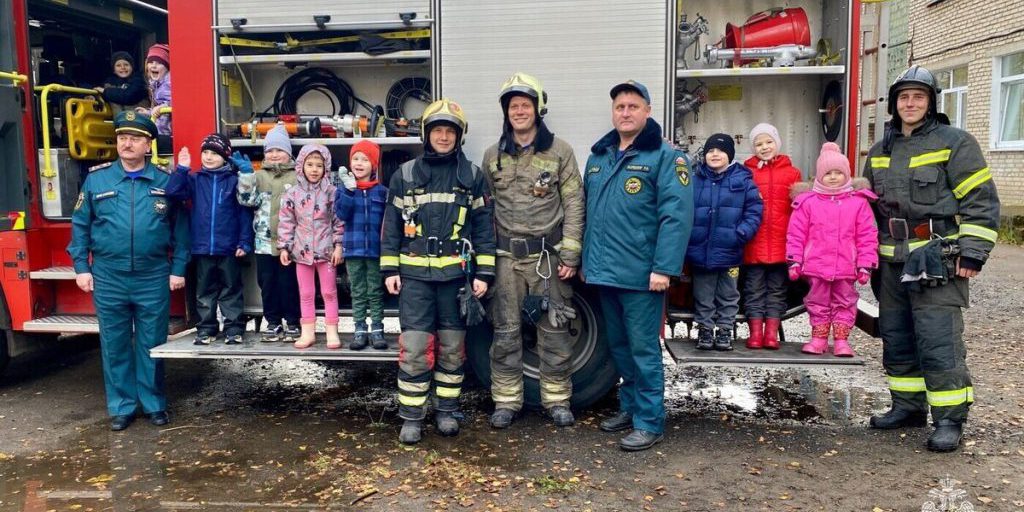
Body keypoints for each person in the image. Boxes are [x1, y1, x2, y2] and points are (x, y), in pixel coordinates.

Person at [863, 65, 1000, 452]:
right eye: (903, 97)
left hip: (937, 258)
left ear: (931, 102)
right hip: (890, 261)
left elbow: (981, 201)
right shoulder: (879, 150)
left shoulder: (955, 142)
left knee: (939, 341)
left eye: (918, 97)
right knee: (897, 337)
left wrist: (973, 252)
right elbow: (865, 211)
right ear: (894, 104)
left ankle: (949, 419)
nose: (910, 103)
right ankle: (907, 406)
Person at [584, 81, 693, 451]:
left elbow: (675, 218)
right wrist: (586, 262)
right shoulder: (599, 157)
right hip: (604, 273)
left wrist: (664, 269)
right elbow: (589, 215)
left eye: (633, 106)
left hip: (642, 276)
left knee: (644, 350)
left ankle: (650, 421)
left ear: (648, 111)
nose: (625, 112)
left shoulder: (666, 158)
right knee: (619, 348)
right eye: (619, 107)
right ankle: (630, 409)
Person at [380, 98, 496, 445]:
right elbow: (390, 227)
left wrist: (483, 274)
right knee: (415, 348)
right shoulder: (405, 175)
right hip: (415, 279)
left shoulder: (472, 176)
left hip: (454, 281)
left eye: (450, 131)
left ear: (459, 136)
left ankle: (446, 411)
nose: (443, 137)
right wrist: (389, 268)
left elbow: (484, 228)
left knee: (451, 348)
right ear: (426, 134)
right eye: (438, 130)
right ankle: (412, 417)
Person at [67, 111, 189, 431]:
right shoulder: (97, 180)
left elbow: (181, 229)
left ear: (148, 144)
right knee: (115, 343)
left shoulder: (165, 181)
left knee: (152, 343)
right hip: (109, 275)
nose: (127, 144)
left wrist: (177, 268)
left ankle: (153, 404)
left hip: (152, 275)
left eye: (134, 139)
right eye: (122, 138)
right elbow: (80, 226)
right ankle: (121, 406)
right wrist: (81, 267)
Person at [480, 72, 585, 430]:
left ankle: (556, 400)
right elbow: (484, 210)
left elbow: (574, 202)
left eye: (525, 105)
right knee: (506, 332)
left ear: (538, 109)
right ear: (506, 113)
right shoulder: (492, 155)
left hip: (548, 258)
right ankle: (507, 400)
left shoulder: (561, 152)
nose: (519, 111)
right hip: (506, 259)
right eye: (513, 106)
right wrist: (484, 263)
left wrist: (570, 254)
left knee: (554, 331)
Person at [786, 142, 878, 357]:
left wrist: (866, 264)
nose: (834, 177)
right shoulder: (807, 203)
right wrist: (794, 260)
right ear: (819, 176)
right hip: (816, 266)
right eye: (828, 173)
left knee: (845, 301)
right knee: (817, 302)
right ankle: (818, 338)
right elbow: (796, 234)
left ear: (847, 175)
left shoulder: (858, 203)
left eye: (839, 172)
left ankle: (841, 340)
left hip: (846, 266)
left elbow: (867, 236)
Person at [170, 134, 254, 346]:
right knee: (204, 291)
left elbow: (244, 213)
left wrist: (244, 242)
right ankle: (206, 328)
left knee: (231, 289)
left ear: (225, 156)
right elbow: (172, 192)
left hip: (228, 248)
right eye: (205, 152)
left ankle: (234, 328)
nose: (208, 157)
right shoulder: (195, 180)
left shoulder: (234, 181)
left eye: (214, 153)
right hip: (202, 248)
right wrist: (182, 169)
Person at [686, 133, 763, 352]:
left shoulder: (743, 180)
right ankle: (706, 330)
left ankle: (724, 331)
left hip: (730, 251)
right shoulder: (695, 179)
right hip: (701, 251)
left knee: (729, 294)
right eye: (710, 151)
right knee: (703, 294)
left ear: (729, 155)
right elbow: (683, 209)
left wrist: (740, 234)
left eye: (720, 151)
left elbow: (754, 211)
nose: (715, 154)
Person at [237, 124, 302, 342]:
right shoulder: (259, 176)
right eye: (270, 151)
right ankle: (273, 322)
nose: (274, 155)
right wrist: (246, 177)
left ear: (289, 153)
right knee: (267, 284)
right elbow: (246, 201)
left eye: (279, 150)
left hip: (290, 245)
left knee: (289, 284)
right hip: (264, 243)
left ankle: (293, 322)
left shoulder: (297, 177)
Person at [741, 123, 802, 350]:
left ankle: (771, 334)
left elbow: (799, 211)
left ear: (777, 143)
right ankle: (755, 333)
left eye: (768, 142)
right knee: (753, 289)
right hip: (754, 243)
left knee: (777, 290)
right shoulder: (747, 172)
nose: (764, 147)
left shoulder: (792, 173)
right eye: (758, 143)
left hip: (782, 243)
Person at [277, 144, 344, 349]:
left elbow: (338, 221)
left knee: (329, 292)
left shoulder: (332, 193)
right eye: (310, 164)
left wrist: (338, 245)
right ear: (301, 166)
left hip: (327, 252)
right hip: (301, 253)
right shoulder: (292, 194)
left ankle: (332, 332)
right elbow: (287, 222)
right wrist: (284, 247)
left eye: (319, 165)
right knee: (305, 293)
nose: (314, 169)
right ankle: (308, 333)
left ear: (326, 168)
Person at [334, 140, 388, 350]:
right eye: (355, 158)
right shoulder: (344, 190)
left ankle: (377, 330)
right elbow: (341, 214)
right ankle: (359, 330)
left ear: (373, 165)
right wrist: (348, 191)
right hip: (353, 250)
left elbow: (388, 222)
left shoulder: (382, 192)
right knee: (357, 290)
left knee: (374, 290)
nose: (359, 163)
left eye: (365, 159)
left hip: (375, 251)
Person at [94, 51, 149, 116]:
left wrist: (105, 91)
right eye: (118, 65)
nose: (123, 67)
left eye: (126, 64)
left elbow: (129, 96)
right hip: (120, 123)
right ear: (114, 70)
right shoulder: (109, 83)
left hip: (139, 121)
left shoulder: (139, 81)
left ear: (132, 67)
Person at [135, 44, 171, 138]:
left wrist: (162, 107)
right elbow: (159, 108)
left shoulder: (169, 83)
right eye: (151, 62)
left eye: (159, 63)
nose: (154, 66)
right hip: (161, 131)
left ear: (167, 67)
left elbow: (174, 102)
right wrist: (148, 112)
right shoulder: (155, 84)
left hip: (167, 133)